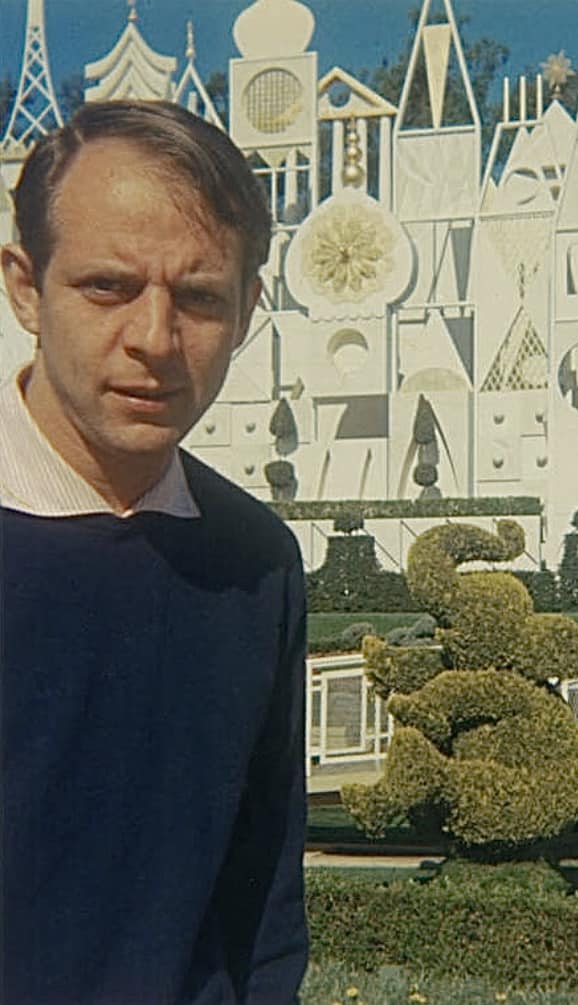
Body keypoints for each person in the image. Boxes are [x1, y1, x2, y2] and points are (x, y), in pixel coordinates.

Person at [0, 101, 307, 1004]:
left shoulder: (253, 562)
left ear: (249, 308)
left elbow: (264, 907)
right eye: (108, 286)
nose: (155, 340)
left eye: (201, 297)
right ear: (25, 285)